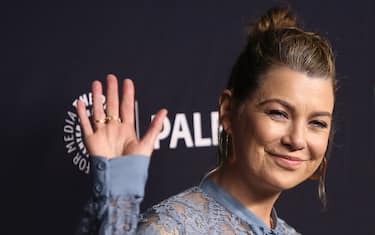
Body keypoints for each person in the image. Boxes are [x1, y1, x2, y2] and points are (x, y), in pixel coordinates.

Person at [75, 7, 336, 235]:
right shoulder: (170, 228)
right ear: (228, 112)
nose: (297, 139)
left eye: (317, 123)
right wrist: (118, 199)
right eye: (278, 113)